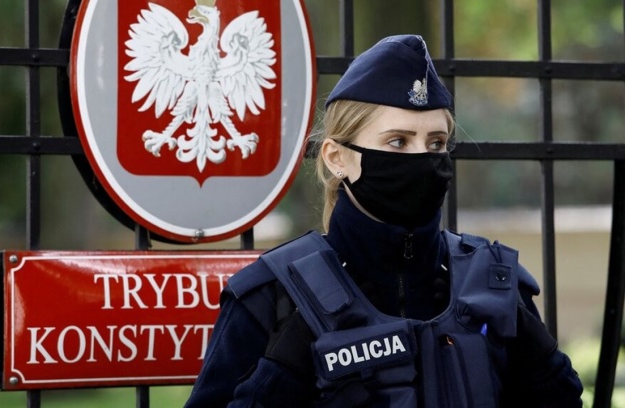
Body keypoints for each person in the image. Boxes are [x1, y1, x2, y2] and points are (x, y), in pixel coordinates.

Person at [184, 34, 583, 407]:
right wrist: (280, 374)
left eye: (436, 143)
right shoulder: (273, 298)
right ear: (337, 158)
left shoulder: (493, 283)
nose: (423, 158)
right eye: (397, 141)